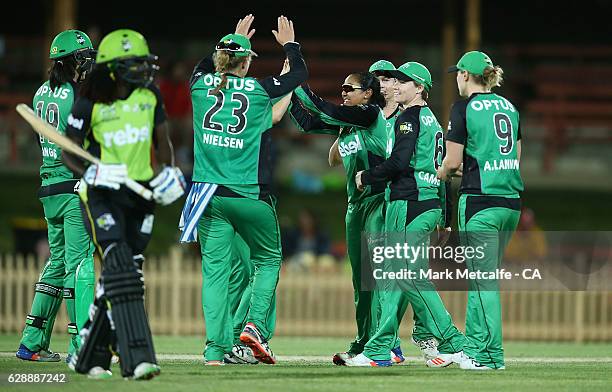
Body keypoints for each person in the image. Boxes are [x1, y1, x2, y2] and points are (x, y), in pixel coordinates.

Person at [63, 29, 185, 380]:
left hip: (140, 195)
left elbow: (162, 144)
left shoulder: (149, 96)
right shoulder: (90, 102)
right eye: (133, 64)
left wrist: (168, 174)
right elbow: (69, 149)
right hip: (101, 194)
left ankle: (89, 356)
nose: (142, 70)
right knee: (120, 264)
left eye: (143, 63)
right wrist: (92, 172)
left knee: (123, 271)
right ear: (112, 68)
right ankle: (136, 359)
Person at [185, 15, 307, 365]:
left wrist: (230, 41)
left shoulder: (198, 86)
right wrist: (291, 47)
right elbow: (297, 77)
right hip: (250, 195)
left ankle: (214, 350)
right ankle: (253, 327)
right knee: (268, 260)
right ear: (248, 61)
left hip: (210, 198)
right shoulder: (255, 91)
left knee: (215, 275)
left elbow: (202, 67)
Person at [350, 62, 465, 366]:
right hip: (428, 204)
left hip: (408, 202)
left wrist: (367, 176)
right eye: (396, 80)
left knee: (401, 276)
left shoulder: (409, 118)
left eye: (404, 81)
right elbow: (444, 175)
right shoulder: (431, 120)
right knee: (405, 276)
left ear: (420, 88)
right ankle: (390, 346)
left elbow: (399, 163)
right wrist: (445, 216)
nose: (397, 85)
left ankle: (448, 339)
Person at [290, 71, 406, 365]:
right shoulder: (348, 125)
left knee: (378, 276)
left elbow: (320, 107)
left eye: (349, 88)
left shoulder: (369, 114)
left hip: (379, 201)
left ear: (368, 94)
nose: (343, 92)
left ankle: (387, 345)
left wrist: (294, 72)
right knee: (360, 281)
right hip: (355, 207)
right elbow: (307, 123)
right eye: (341, 88)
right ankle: (365, 341)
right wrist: (287, 96)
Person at [433, 51, 523, 370]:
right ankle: (473, 348)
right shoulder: (510, 107)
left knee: (483, 281)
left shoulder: (464, 108)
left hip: (480, 202)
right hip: (510, 201)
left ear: (467, 76)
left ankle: (490, 356)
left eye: (457, 73)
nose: (456, 78)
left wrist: (439, 173)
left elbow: (452, 161)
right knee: (479, 278)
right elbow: (514, 156)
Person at [16, 30, 96, 364]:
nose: (87, 62)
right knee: (80, 264)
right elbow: (80, 145)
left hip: (48, 187)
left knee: (57, 263)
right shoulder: (76, 96)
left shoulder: (39, 93)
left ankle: (31, 343)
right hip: (72, 187)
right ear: (71, 60)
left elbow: (44, 141)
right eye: (83, 56)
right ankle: (81, 343)